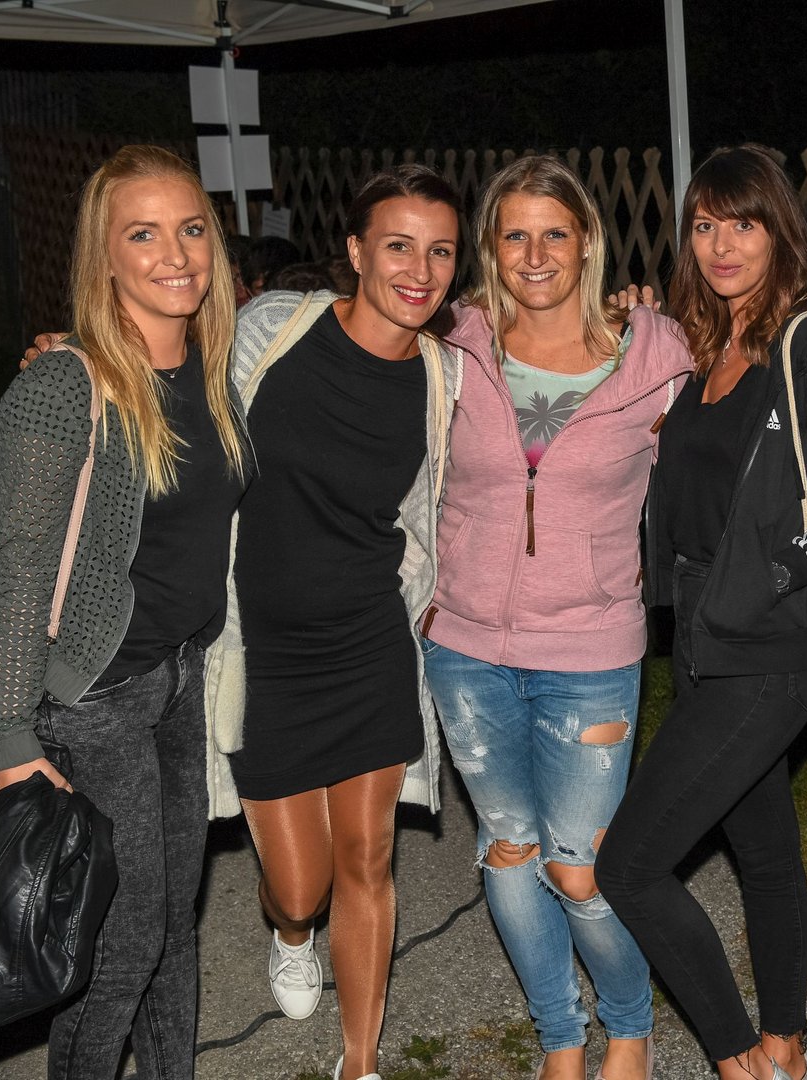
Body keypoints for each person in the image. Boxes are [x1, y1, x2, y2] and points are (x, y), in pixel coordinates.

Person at [597, 144, 807, 1080]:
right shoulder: (703, 349)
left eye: (745, 223)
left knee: (629, 866)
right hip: (701, 636)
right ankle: (786, 1047)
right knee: (763, 853)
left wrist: (770, 573)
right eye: (705, 225)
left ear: (780, 233)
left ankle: (737, 1058)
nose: (723, 244)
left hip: (769, 641)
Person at [0, 144, 248, 1080]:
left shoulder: (214, 368)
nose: (175, 254)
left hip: (176, 679)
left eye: (191, 228)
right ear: (105, 255)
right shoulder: (63, 386)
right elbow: (18, 569)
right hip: (92, 699)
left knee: (172, 924)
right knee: (122, 944)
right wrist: (8, 739)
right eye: (143, 234)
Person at [420, 155, 689, 1080]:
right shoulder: (453, 344)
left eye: (555, 234)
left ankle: (630, 1024)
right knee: (508, 851)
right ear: (490, 248)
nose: (535, 255)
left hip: (591, 651)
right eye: (515, 235)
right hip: (465, 649)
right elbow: (331, 337)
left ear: (588, 242)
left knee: (580, 865)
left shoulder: (656, 356)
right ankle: (560, 1040)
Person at [205, 163, 463, 1080]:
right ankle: (289, 933)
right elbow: (166, 381)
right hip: (265, 651)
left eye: (440, 252)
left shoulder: (446, 376)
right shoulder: (274, 329)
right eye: (398, 246)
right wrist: (69, 357)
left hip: (369, 644)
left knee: (369, 857)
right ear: (355, 251)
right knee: (300, 886)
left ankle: (361, 1061)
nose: (419, 271)